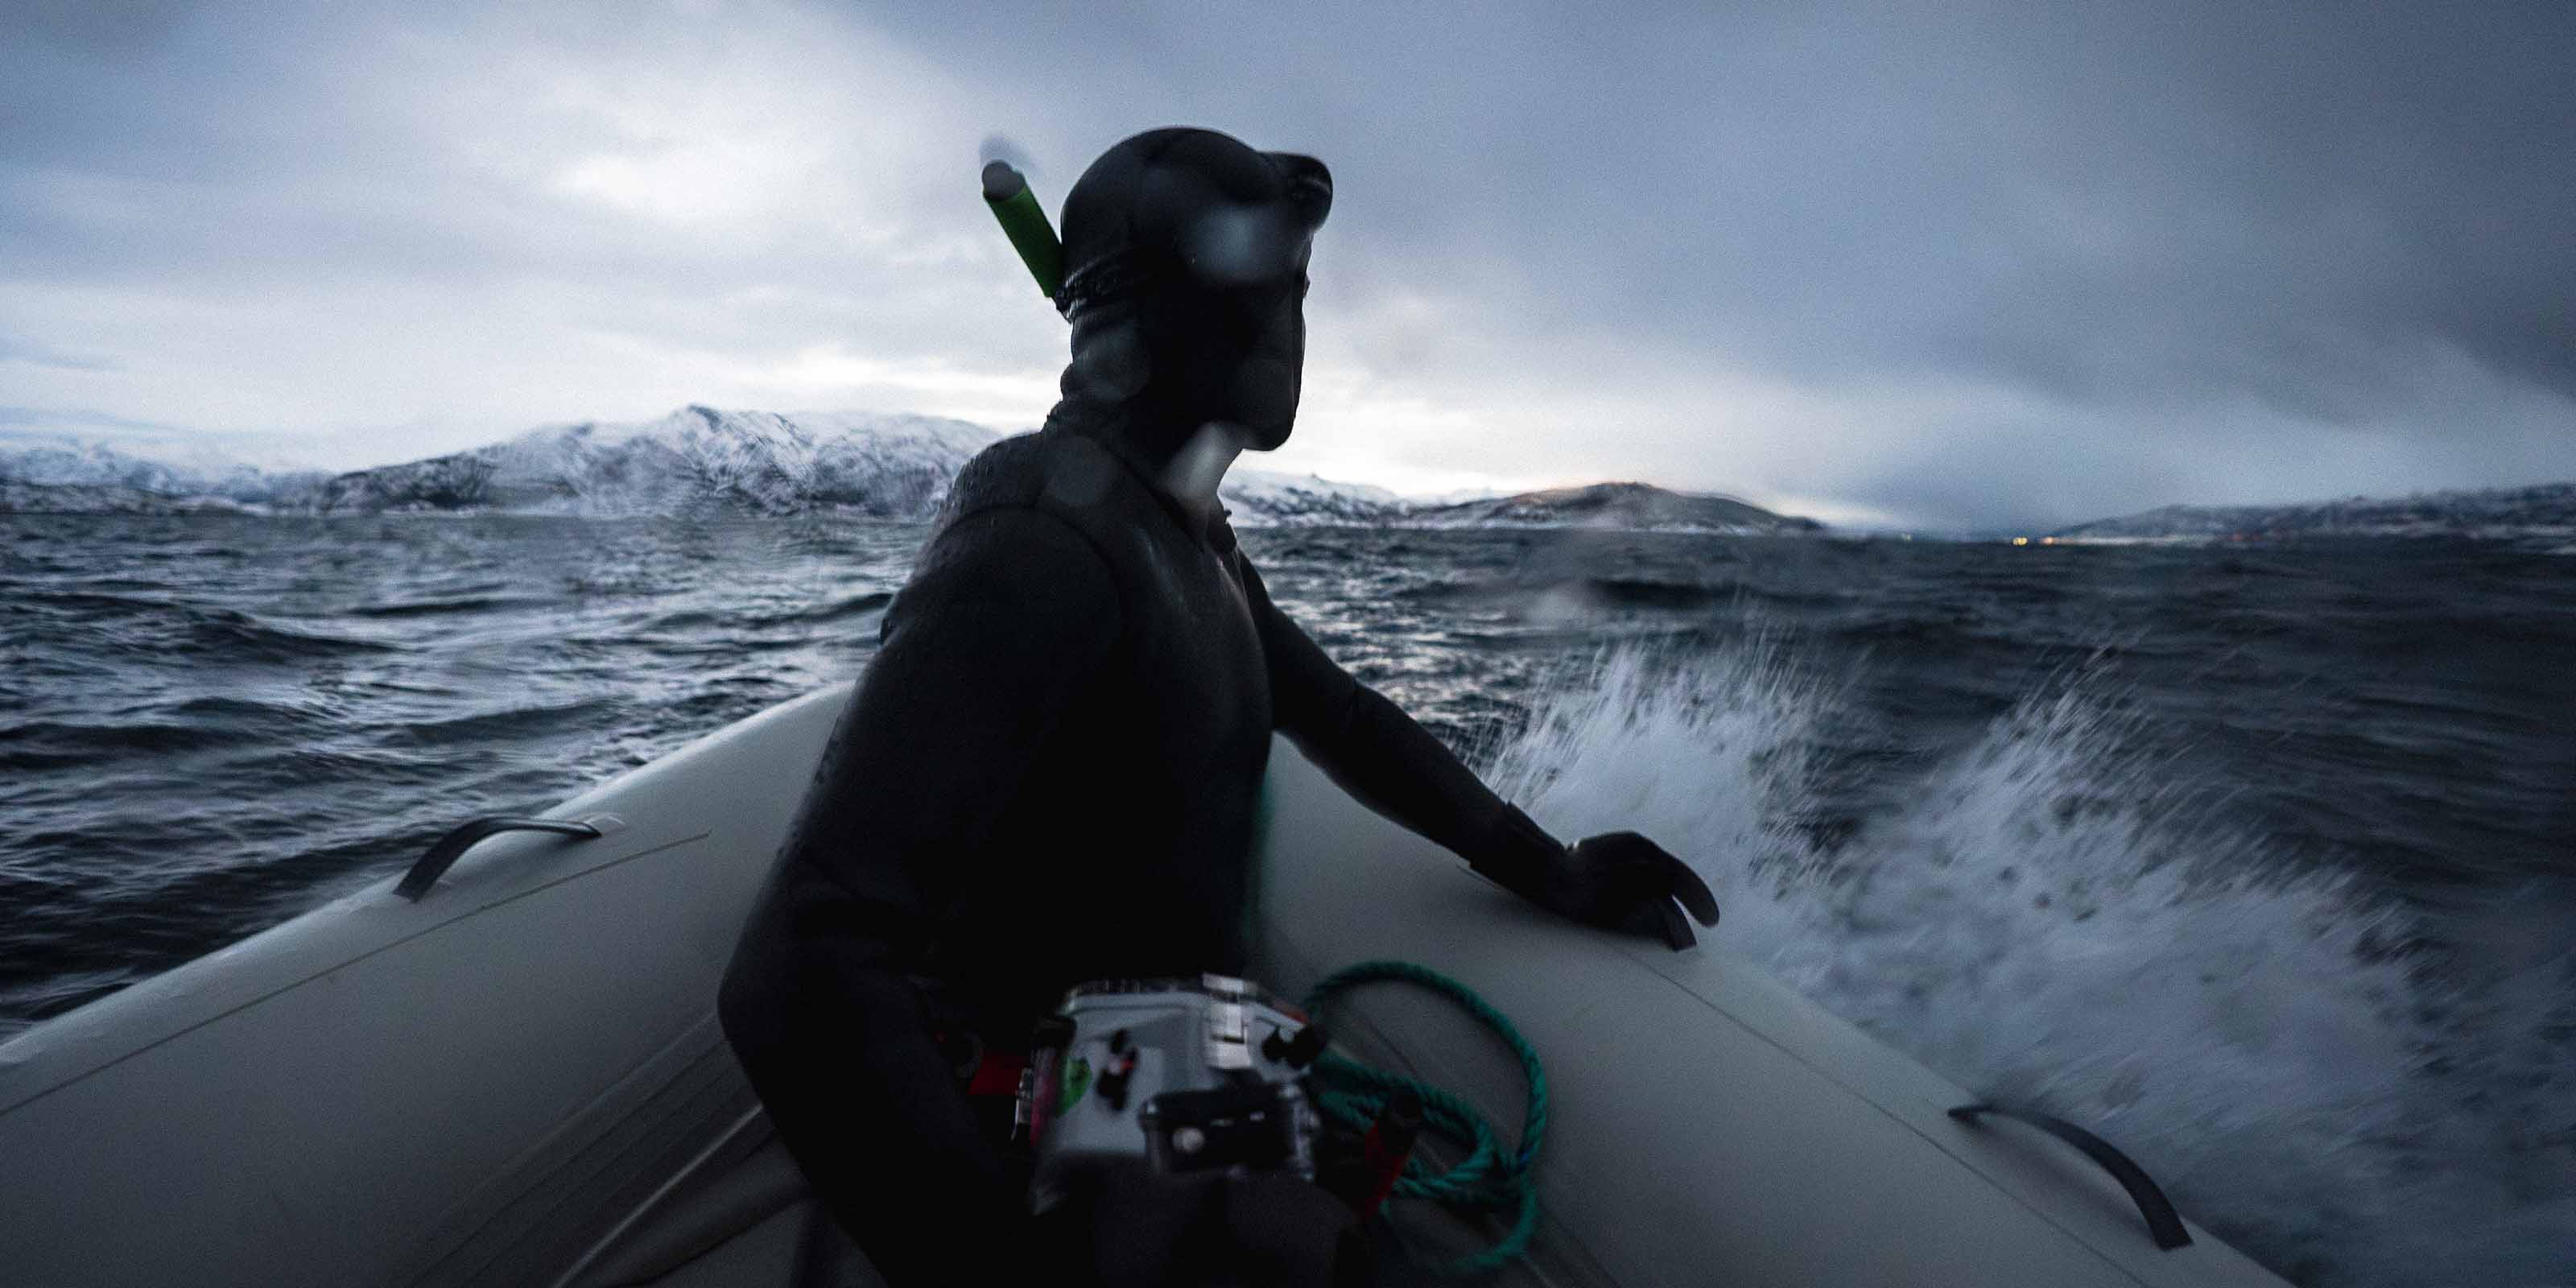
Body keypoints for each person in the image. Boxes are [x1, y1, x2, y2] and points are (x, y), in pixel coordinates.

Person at [717, 126, 1717, 1285]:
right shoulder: (1042, 543)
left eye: (1296, 294)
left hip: (1175, 1074)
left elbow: (1339, 719)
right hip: (1059, 1111)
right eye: (1257, 287)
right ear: (1139, 314)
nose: (1288, 332)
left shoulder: (1177, 534)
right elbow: (800, 963)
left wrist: (1554, 870)